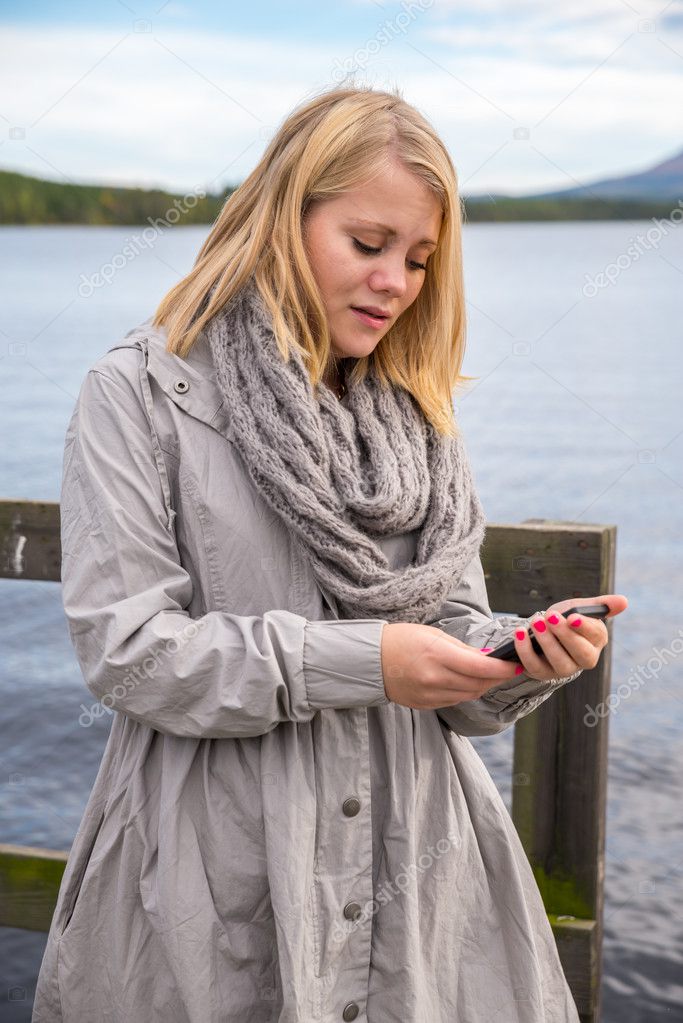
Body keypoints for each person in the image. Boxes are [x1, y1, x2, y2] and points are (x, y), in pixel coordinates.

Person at [32, 84, 628, 1022]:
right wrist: (369, 660)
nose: (396, 280)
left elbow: (454, 646)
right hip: (212, 870)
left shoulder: (421, 421)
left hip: (421, 875)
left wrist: (512, 661)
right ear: (281, 217)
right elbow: (130, 653)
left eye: (421, 259)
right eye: (368, 244)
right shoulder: (136, 394)